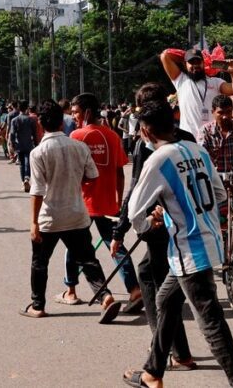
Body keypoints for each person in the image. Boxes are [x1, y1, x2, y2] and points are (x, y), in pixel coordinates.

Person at [124, 100, 233, 388]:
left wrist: (149, 225)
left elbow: (134, 211)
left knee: (211, 324)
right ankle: (153, 372)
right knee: (165, 300)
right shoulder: (198, 150)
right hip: (207, 242)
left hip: (189, 250)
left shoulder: (158, 159)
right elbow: (219, 194)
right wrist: (173, 210)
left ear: (145, 131)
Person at [111, 83, 197, 374]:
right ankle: (178, 351)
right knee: (166, 285)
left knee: (152, 276)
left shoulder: (148, 145)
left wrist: (119, 230)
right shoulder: (188, 139)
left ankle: (163, 350)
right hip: (188, 225)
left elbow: (135, 192)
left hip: (162, 224)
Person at [20, 99, 121, 323]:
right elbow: (92, 175)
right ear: (61, 123)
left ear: (41, 125)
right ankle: (105, 296)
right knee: (88, 260)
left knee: (40, 262)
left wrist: (34, 223)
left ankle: (38, 305)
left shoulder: (38, 153)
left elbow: (37, 191)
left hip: (50, 217)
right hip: (76, 214)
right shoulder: (79, 147)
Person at [58, 93, 141, 311]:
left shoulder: (76, 136)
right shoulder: (113, 136)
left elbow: (71, 172)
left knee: (74, 248)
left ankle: (71, 290)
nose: (74, 117)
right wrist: (119, 201)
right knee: (117, 246)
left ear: (86, 112)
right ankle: (134, 289)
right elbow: (120, 172)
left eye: (76, 112)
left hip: (82, 203)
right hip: (108, 203)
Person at [160, 47, 233, 141]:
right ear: (185, 64)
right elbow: (164, 56)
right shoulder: (180, 80)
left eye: (198, 62)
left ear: (203, 63)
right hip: (188, 139)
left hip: (211, 139)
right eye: (191, 62)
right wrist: (185, 56)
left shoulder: (215, 82)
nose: (195, 65)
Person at [10, 100, 39, 192]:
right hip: (29, 145)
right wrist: (36, 143)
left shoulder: (14, 120)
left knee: (21, 164)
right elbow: (34, 133)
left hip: (19, 145)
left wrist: (12, 144)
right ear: (27, 108)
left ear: (19, 108)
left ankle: (23, 181)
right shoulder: (31, 120)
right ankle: (27, 178)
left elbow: (12, 134)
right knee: (28, 162)